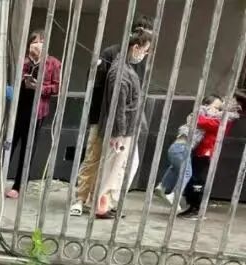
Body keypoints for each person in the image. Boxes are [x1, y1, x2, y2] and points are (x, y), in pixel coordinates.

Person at [71, 16, 154, 216]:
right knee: (94, 158)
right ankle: (81, 199)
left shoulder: (139, 61)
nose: (146, 50)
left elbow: (136, 92)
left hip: (126, 121)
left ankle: (103, 201)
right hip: (103, 117)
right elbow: (100, 88)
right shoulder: (112, 54)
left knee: (120, 164)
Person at [92, 30, 152, 219]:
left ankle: (108, 202)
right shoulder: (121, 72)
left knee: (123, 166)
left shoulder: (123, 68)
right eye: (145, 50)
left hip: (125, 128)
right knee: (115, 167)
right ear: (136, 47)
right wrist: (118, 133)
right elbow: (118, 106)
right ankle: (103, 204)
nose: (145, 54)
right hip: (121, 130)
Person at [6, 30, 61, 198]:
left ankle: (19, 185)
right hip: (20, 106)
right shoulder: (24, 61)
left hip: (38, 110)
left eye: (41, 42)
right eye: (34, 42)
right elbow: (15, 82)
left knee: (28, 147)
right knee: (9, 144)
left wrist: (40, 87)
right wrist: (28, 67)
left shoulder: (53, 63)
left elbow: (57, 87)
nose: (37, 45)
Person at [179, 95, 241, 219]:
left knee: (198, 179)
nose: (215, 109)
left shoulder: (225, 118)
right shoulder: (221, 116)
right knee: (194, 177)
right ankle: (193, 206)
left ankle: (196, 209)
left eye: (218, 107)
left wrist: (196, 117)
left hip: (206, 151)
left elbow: (204, 122)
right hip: (201, 149)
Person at [158, 95, 221, 208]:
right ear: (206, 105)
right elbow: (207, 120)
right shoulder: (200, 113)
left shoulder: (200, 114)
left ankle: (162, 187)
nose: (217, 111)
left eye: (219, 109)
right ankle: (174, 195)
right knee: (187, 173)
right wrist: (227, 113)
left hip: (177, 147)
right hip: (182, 148)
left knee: (174, 168)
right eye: (216, 107)